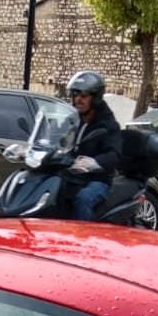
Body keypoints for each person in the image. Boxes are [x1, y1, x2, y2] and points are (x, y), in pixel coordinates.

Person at [63, 69, 122, 221]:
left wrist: (93, 163)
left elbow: (114, 154)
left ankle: (82, 240)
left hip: (97, 180)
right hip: (72, 175)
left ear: (95, 98)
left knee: (83, 199)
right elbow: (59, 139)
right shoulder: (73, 119)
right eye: (75, 95)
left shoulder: (107, 124)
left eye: (83, 96)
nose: (78, 100)